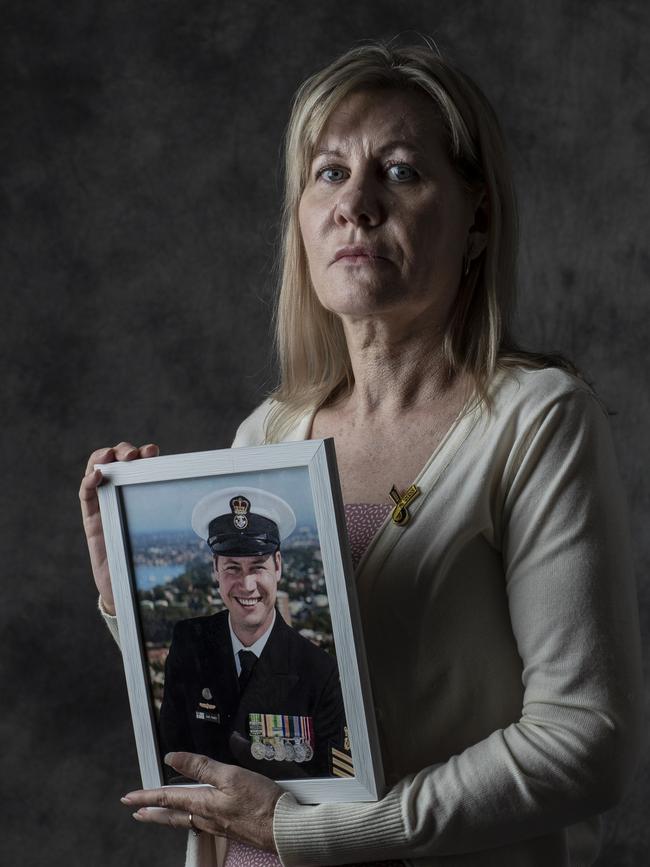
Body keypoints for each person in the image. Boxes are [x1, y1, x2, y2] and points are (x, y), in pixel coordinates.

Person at [79, 40, 642, 867]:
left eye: (403, 172)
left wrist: (307, 832)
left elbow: (585, 742)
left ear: (478, 217)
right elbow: (247, 704)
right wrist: (126, 608)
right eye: (329, 173)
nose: (356, 205)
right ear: (302, 214)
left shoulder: (535, 421)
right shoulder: (267, 432)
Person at [158, 487, 347, 780]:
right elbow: (169, 755)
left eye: (257, 567)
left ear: (278, 566)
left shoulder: (319, 671)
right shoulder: (189, 641)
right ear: (216, 571)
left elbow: (334, 786)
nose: (246, 585)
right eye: (232, 568)